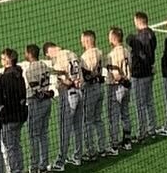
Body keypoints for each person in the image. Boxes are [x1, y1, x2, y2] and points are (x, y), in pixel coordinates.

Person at [43, 41, 83, 170]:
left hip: (68, 96)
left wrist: (63, 81)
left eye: (48, 55)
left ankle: (60, 162)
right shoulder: (72, 53)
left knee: (64, 129)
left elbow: (63, 78)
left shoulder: (59, 57)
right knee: (78, 127)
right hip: (80, 92)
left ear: (49, 51)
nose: (50, 58)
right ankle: (77, 157)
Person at [126, 12, 158, 143]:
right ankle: (152, 128)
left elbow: (141, 55)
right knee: (149, 102)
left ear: (138, 21)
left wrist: (131, 41)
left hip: (140, 74)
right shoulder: (151, 33)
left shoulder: (140, 38)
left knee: (140, 104)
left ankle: (142, 131)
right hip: (148, 73)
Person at [21, 44, 53, 173]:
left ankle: (34, 166)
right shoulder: (44, 65)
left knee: (34, 135)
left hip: (36, 103)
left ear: (29, 54)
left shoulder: (30, 71)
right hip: (47, 103)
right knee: (44, 134)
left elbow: (36, 91)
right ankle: (43, 164)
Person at [79, 30, 109, 159]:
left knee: (88, 121)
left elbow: (86, 76)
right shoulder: (100, 52)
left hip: (90, 90)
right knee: (98, 119)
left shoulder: (85, 57)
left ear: (86, 41)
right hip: (100, 88)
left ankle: (91, 151)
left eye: (82, 40)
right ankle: (103, 147)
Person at [0, 49, 27, 173]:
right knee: (16, 144)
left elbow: (5, 97)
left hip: (9, 117)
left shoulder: (7, 77)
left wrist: (2, 109)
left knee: (10, 146)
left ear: (8, 60)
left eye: (3, 58)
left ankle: (15, 170)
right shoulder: (18, 73)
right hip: (20, 115)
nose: (1, 61)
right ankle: (19, 168)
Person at [105, 27, 133, 154]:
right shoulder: (127, 51)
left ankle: (114, 146)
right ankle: (127, 141)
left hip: (116, 87)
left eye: (110, 36)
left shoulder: (113, 54)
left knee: (113, 117)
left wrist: (120, 80)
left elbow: (116, 75)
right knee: (125, 114)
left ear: (114, 38)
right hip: (127, 86)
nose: (108, 38)